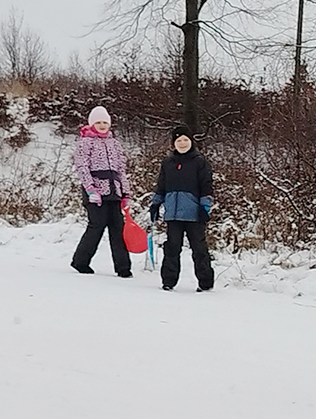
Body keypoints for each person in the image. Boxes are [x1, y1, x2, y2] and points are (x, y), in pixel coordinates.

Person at [149, 125, 215, 292]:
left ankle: (205, 282)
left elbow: (206, 186)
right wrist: (156, 203)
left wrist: (205, 206)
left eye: (186, 140)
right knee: (172, 247)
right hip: (173, 214)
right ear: (173, 143)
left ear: (191, 141)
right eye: (179, 140)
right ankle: (168, 281)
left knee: (199, 248)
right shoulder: (168, 163)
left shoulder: (200, 162)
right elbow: (161, 185)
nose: (183, 143)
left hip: (194, 214)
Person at [71, 106, 133, 277]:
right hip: (95, 192)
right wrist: (90, 189)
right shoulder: (85, 142)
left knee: (118, 228)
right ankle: (80, 261)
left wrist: (125, 193)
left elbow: (121, 170)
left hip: (114, 191)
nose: (102, 125)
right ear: (92, 124)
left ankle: (123, 267)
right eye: (98, 122)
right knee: (96, 226)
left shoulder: (114, 143)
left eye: (105, 122)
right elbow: (82, 167)